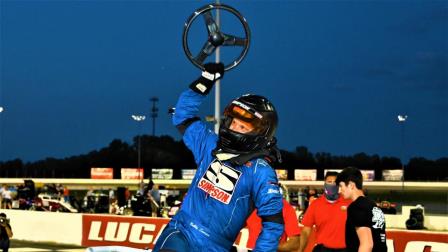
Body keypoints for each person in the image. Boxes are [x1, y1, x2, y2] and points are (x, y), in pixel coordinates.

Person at [153, 63, 284, 252]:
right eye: (233, 123)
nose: (234, 129)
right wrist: (205, 79)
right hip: (182, 231)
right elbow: (182, 115)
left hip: (216, 246)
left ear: (261, 135)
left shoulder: (261, 171)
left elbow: (273, 225)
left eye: (243, 127)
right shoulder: (209, 145)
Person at [298, 171, 352, 252]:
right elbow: (306, 231)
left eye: (335, 182)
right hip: (323, 249)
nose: (332, 184)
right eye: (329, 182)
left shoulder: (349, 202)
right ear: (325, 184)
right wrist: (300, 250)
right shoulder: (315, 204)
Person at [336, 167, 387, 252]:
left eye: (341, 186)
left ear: (351, 185)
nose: (339, 191)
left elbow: (367, 245)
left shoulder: (356, 207)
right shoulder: (373, 205)